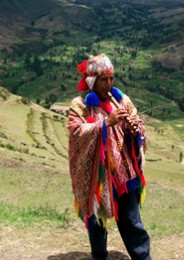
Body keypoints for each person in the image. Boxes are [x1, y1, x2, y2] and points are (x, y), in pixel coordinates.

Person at [67, 54, 151, 260]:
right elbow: (76, 132)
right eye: (104, 80)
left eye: (111, 79)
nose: (109, 84)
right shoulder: (79, 106)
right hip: (97, 176)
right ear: (92, 82)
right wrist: (105, 123)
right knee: (97, 222)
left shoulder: (122, 100)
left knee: (132, 222)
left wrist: (135, 129)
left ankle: (142, 257)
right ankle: (99, 256)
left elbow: (140, 127)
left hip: (124, 174)